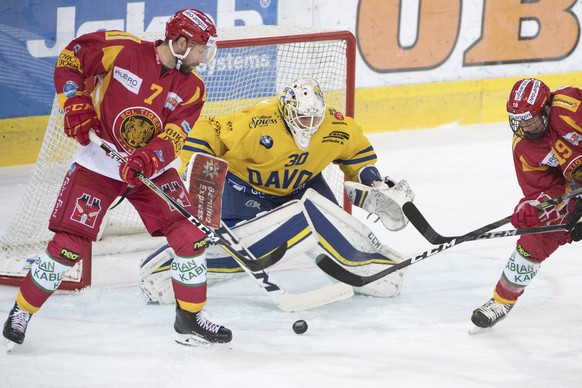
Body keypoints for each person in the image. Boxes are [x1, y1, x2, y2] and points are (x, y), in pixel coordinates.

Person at [2, 9, 232, 348]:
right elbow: (71, 58)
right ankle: (22, 311)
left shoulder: (193, 88)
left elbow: (173, 135)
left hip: (150, 169)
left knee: (191, 236)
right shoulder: (123, 50)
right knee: (68, 247)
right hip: (99, 163)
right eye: (200, 48)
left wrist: (147, 159)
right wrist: (75, 102)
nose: (204, 56)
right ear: (180, 42)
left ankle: (189, 318)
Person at [140, 76, 414, 304]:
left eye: (314, 118)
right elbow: (208, 129)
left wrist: (374, 182)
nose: (309, 124)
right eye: (302, 118)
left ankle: (375, 268)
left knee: (350, 245)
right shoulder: (257, 121)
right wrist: (196, 165)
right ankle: (162, 272)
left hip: (301, 187)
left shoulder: (337, 125)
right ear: (286, 111)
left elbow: (358, 156)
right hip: (245, 190)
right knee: (230, 249)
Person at [471, 78, 582, 331]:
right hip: (577, 185)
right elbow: (544, 187)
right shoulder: (524, 147)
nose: (523, 126)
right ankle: (502, 299)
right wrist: (535, 206)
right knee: (536, 236)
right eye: (517, 119)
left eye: (529, 118)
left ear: (546, 107)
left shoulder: (570, 106)